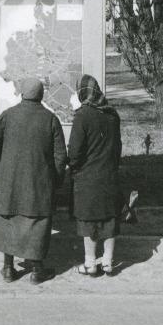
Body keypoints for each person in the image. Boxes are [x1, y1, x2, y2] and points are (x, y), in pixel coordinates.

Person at [0, 77, 67, 285]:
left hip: (11, 183)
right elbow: (60, 156)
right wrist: (55, 180)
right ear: (41, 95)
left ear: (22, 94)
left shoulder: (8, 116)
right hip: (38, 185)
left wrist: (3, 169)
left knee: (8, 222)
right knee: (37, 225)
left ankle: (7, 268)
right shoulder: (50, 119)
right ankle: (37, 271)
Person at [68, 74, 123, 276]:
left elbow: (74, 152)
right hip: (109, 177)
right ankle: (108, 262)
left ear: (82, 93)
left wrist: (73, 168)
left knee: (88, 222)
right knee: (110, 220)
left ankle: (90, 264)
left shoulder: (82, 115)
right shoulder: (112, 114)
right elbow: (118, 148)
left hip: (87, 179)